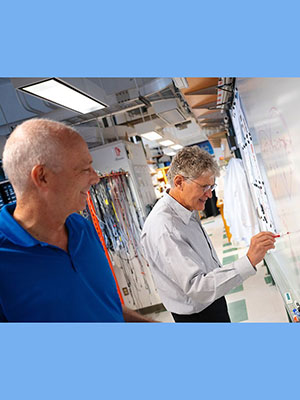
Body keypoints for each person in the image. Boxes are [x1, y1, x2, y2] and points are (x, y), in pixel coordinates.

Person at [0, 118, 155, 322]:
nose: (95, 178)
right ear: (43, 176)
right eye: (85, 169)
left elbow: (105, 304)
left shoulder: (82, 228)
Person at [141, 146, 276, 322]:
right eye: (204, 187)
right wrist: (249, 260)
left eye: (211, 187)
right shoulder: (164, 228)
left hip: (211, 301)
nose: (209, 194)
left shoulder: (185, 208)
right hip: (198, 315)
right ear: (179, 182)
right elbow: (197, 287)